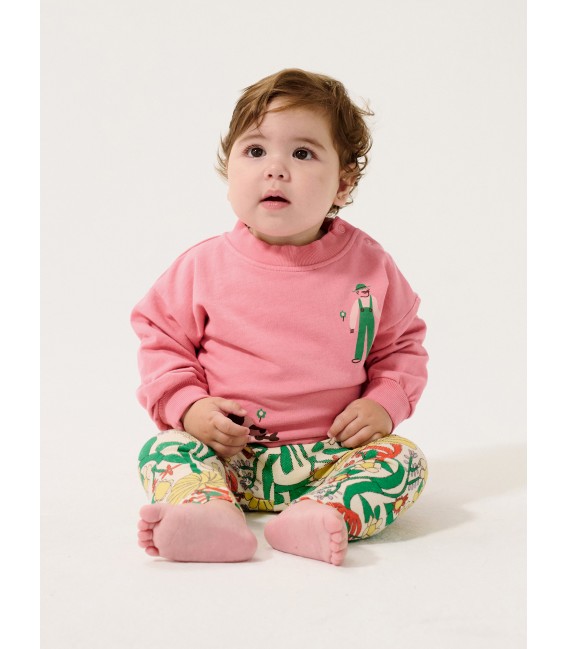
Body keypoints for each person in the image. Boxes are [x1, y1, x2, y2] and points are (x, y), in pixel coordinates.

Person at [132, 68, 429, 566]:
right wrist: (190, 408)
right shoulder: (202, 267)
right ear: (229, 171)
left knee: (406, 461)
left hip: (331, 457)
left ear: (343, 183)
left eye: (302, 153)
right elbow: (161, 339)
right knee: (164, 451)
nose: (275, 169)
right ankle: (207, 512)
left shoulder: (370, 266)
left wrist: (384, 403)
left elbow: (401, 347)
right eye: (255, 151)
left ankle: (320, 514)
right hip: (229, 455)